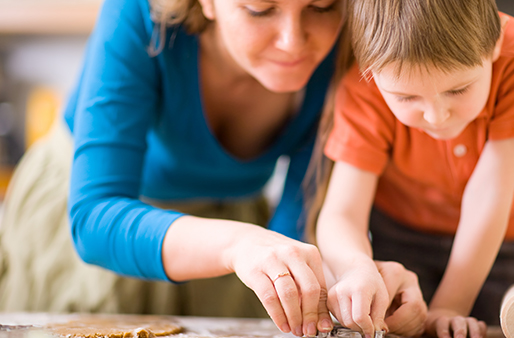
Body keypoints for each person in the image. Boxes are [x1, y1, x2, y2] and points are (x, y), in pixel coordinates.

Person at [0, 0, 344, 335]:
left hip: (237, 234)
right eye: (260, 10)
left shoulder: (348, 45)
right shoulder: (140, 11)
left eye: (322, 7)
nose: (292, 41)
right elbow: (94, 217)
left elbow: (298, 219)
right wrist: (238, 244)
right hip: (95, 222)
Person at [309, 0, 514, 337]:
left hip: (505, 240)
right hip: (402, 234)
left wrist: (450, 306)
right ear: (369, 69)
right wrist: (356, 267)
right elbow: (342, 211)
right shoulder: (360, 83)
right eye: (406, 98)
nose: (436, 116)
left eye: (458, 89)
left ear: (495, 45)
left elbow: (490, 192)